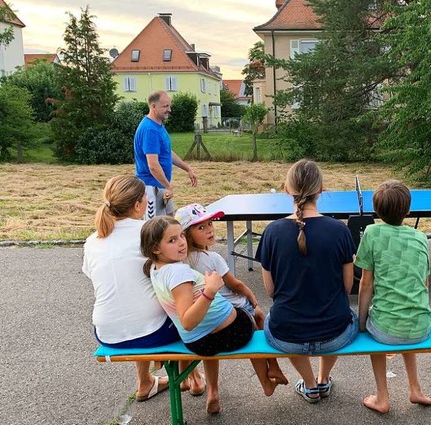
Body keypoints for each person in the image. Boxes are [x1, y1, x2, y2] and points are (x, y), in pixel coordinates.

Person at [140, 216, 281, 414]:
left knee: (242, 317)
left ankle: (211, 389)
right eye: (172, 240)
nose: (181, 242)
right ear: (155, 248)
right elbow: (187, 321)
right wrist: (211, 290)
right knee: (254, 316)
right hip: (229, 335)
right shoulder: (179, 273)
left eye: (181, 236)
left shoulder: (156, 268)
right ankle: (268, 376)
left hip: (199, 341)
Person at [82, 175, 204, 402]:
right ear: (138, 205)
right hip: (152, 333)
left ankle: (145, 382)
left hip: (106, 333)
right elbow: (177, 278)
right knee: (180, 305)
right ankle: (193, 377)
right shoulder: (150, 233)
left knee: (138, 301)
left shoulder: (92, 240)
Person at [256, 159, 359, 403]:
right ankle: (324, 379)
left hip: (286, 336)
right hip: (336, 335)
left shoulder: (271, 232)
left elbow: (270, 291)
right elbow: (347, 287)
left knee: (273, 316)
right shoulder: (339, 230)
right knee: (347, 313)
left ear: (286, 189)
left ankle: (310, 385)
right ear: (321, 189)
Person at [175, 202, 288, 386]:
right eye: (201, 227)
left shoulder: (180, 263)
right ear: (187, 235)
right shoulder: (213, 258)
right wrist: (254, 301)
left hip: (202, 320)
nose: (209, 229)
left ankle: (205, 388)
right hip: (231, 311)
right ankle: (272, 368)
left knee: (210, 343)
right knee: (259, 319)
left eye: (210, 223)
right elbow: (236, 284)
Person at [356, 180, 431, 413]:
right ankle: (415, 389)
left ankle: (382, 397)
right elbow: (425, 283)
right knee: (404, 317)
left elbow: (366, 284)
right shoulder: (420, 237)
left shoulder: (371, 232)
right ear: (408, 210)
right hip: (422, 327)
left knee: (376, 332)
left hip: (385, 330)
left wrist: (362, 323)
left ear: (376, 210)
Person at [134, 90, 198, 219]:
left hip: (162, 186)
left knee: (169, 222)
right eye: (165, 106)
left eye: (169, 106)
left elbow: (167, 153)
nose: (169, 110)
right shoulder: (149, 129)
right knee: (154, 228)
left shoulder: (159, 126)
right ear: (153, 106)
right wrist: (168, 186)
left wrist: (187, 168)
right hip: (151, 187)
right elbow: (153, 165)